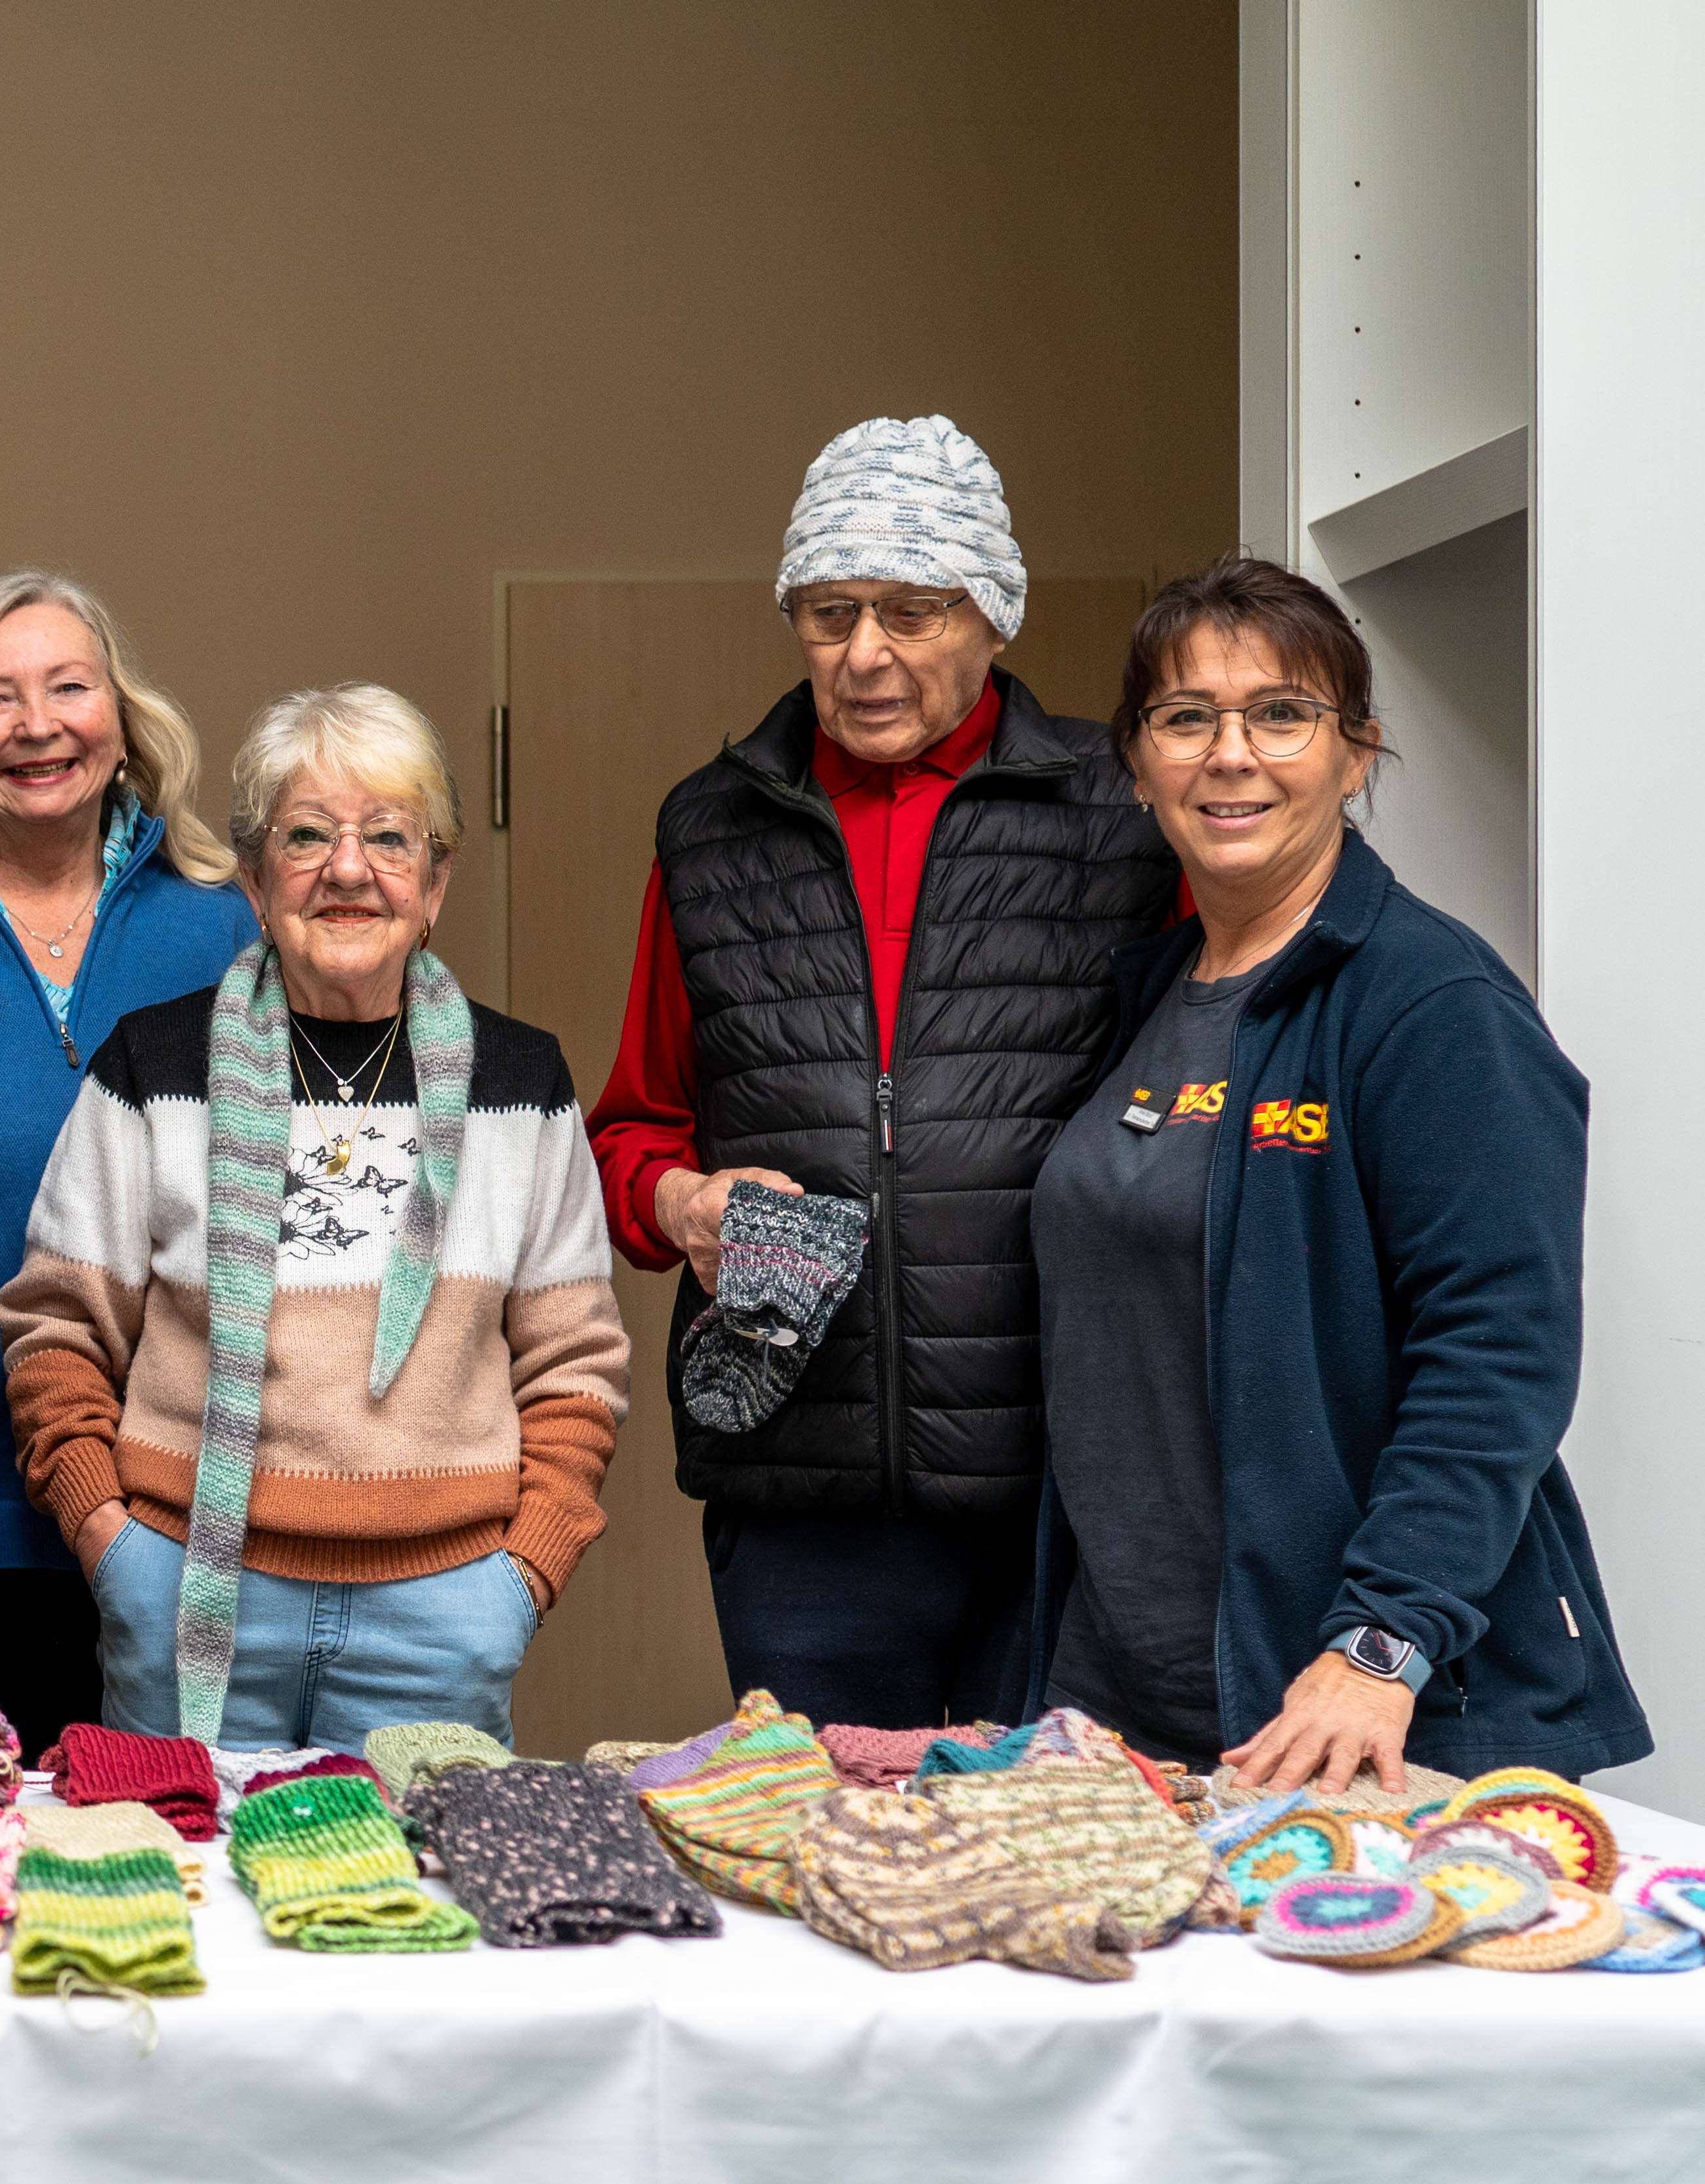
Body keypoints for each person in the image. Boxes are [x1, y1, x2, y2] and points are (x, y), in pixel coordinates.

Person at [586, 414, 1183, 1732]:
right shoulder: (710, 824)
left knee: (1050, 1871)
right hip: (798, 1489)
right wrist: (678, 1206)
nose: (863, 655)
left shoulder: (1124, 813)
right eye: (828, 611)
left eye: (912, 611)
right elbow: (633, 1125)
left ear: (995, 613)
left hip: (1061, 1484)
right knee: (824, 1862)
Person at [1030, 556, 1647, 1788]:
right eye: (1186, 717)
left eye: (1282, 714)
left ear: (1357, 752)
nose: (1231, 753)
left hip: (1362, 1709)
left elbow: (1500, 1353)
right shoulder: (1143, 1002)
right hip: (1126, 1698)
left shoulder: (1433, 1005)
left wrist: (1382, 1643)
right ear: (1138, 761)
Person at [0, 683, 629, 1753]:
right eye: (307, 836)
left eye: (390, 838)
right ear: (253, 878)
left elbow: (576, 1366)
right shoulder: (151, 1069)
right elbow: (56, 1331)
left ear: (436, 883)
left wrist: (518, 1582)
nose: (348, 870)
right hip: (188, 1593)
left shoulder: (523, 1082)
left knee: (418, 1916)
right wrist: (117, 1548)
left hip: (443, 1621)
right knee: (185, 1908)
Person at [0, 570, 261, 1751]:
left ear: (122, 712)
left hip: (176, 1507)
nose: (37, 725)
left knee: (169, 1855)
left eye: (68, 687)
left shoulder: (224, 927)